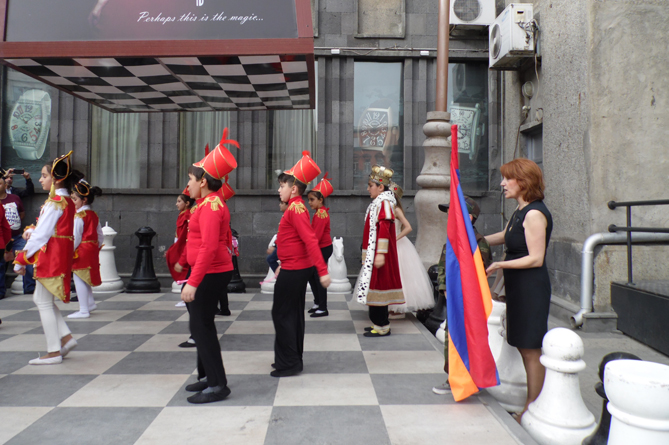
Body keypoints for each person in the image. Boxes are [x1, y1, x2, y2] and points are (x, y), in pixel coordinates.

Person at [484, 158, 552, 421]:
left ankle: (532, 410)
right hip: (518, 287)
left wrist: (498, 263)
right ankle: (532, 404)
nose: (502, 183)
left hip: (530, 289)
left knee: (531, 349)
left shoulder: (535, 214)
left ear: (523, 182)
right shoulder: (520, 211)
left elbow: (536, 257)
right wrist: (472, 239)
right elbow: (505, 235)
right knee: (524, 347)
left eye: (507, 178)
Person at [179, 132, 238, 404]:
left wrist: (193, 281)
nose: (187, 185)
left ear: (203, 182)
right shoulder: (205, 204)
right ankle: (207, 376)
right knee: (201, 325)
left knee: (201, 326)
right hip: (207, 270)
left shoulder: (212, 206)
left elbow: (210, 247)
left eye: (190, 180)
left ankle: (217, 384)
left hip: (211, 272)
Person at [14, 152, 81, 365]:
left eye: (44, 176)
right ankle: (66, 339)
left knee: (42, 301)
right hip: (57, 255)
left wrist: (21, 258)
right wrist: (32, 231)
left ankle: (54, 351)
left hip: (51, 256)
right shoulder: (66, 201)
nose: (41, 179)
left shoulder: (56, 202)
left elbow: (43, 234)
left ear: (56, 178)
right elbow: (46, 230)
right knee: (42, 300)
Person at [272, 151, 331, 377]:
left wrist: (323, 271)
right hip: (292, 267)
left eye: (282, 186)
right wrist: (281, 264)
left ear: (293, 189)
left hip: (295, 270)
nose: (279, 190)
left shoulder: (295, 209)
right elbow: (295, 242)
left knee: (283, 315)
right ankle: (289, 358)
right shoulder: (298, 208)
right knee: (291, 314)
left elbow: (309, 240)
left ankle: (289, 362)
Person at [432, 196, 492, 395]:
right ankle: (455, 377)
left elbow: (477, 274)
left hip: (467, 300)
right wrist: (445, 287)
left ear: (468, 217)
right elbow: (443, 266)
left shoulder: (477, 243)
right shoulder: (453, 239)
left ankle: (463, 379)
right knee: (452, 337)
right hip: (455, 299)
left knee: (463, 338)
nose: (449, 216)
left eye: (453, 212)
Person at [356, 165, 404, 338]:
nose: (368, 188)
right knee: (375, 287)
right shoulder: (379, 203)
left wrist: (380, 253)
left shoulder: (383, 203)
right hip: (375, 253)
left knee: (378, 288)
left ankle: (382, 325)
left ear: (380, 187)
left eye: (371, 185)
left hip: (379, 254)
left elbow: (384, 228)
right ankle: (378, 323)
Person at [387, 183, 434, 318]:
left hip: (398, 245)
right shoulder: (385, 209)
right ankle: (389, 305)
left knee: (402, 275)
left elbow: (408, 227)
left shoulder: (396, 210)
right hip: (389, 245)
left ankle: (397, 307)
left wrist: (395, 238)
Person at [68, 179, 104, 319]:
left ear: (84, 200)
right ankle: (89, 303)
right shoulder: (93, 215)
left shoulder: (79, 216)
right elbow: (100, 235)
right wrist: (97, 247)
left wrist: (69, 251)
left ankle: (84, 309)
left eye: (75, 199)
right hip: (92, 247)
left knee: (79, 277)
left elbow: (76, 237)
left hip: (81, 249)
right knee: (85, 277)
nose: (73, 202)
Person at [0, 169, 36, 296]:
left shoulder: (14, 196)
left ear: (5, 186)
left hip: (17, 237)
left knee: (27, 257)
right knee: (1, 264)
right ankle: (1, 291)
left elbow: (22, 212)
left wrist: (15, 224)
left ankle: (30, 288)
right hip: (2, 239)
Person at [306, 174, 334, 318]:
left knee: (318, 276)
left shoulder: (321, 214)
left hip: (322, 248)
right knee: (312, 275)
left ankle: (323, 307)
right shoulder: (319, 213)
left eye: (312, 200)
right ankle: (318, 303)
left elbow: (315, 236)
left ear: (320, 200)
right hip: (320, 247)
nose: (309, 202)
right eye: (309, 200)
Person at [166, 193, 194, 309]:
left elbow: (184, 237)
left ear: (187, 203)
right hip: (182, 247)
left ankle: (187, 297)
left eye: (179, 201)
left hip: (185, 249)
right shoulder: (183, 215)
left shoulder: (187, 216)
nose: (176, 204)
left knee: (187, 274)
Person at [261, 199, 288, 285]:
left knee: (271, 259)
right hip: (281, 244)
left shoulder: (289, 215)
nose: (280, 205)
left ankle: (282, 278)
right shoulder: (286, 215)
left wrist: (275, 245)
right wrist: (274, 245)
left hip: (285, 245)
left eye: (282, 203)